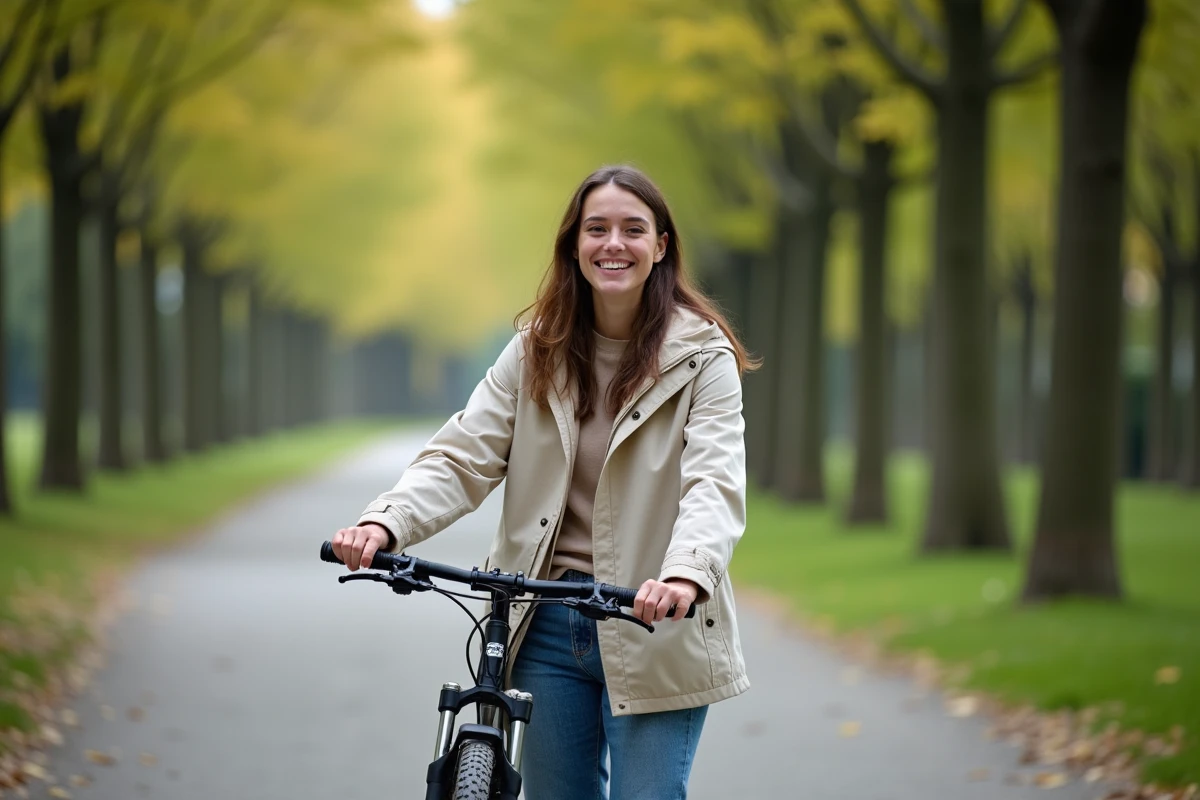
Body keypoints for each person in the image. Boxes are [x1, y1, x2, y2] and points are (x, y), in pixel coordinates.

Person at [331, 164, 756, 799]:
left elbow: (713, 482)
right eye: (596, 228)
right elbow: (462, 455)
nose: (613, 244)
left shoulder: (703, 359)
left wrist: (685, 575)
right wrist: (384, 521)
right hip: (543, 626)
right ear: (574, 245)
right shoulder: (536, 351)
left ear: (661, 245)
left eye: (633, 229)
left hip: (654, 620)